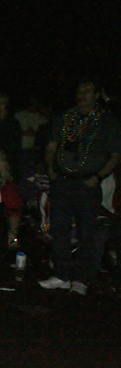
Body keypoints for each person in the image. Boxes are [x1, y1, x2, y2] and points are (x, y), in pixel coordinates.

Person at [40, 80, 121, 296]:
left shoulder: (107, 122)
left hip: (87, 183)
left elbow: (115, 155)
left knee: (87, 232)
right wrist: (51, 170)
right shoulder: (65, 118)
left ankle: (81, 278)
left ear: (97, 95)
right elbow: (51, 146)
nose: (82, 95)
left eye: (87, 91)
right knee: (59, 229)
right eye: (79, 91)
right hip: (63, 181)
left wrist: (98, 176)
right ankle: (61, 274)